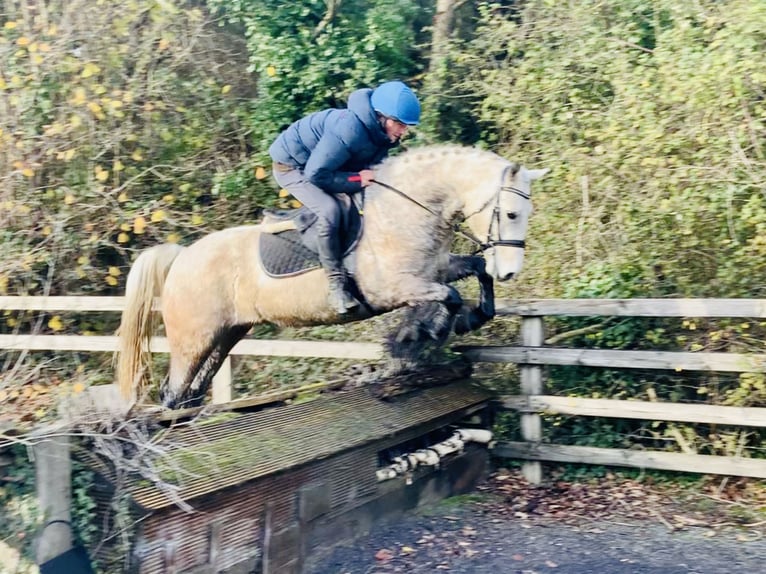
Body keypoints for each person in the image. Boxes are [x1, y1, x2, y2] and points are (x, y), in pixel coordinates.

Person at [269, 80, 421, 314]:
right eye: (400, 124)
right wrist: (358, 180)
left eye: (405, 126)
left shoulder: (382, 133)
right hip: (293, 167)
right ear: (382, 117)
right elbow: (316, 174)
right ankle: (336, 286)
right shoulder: (349, 129)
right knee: (330, 211)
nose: (403, 131)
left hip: (323, 166)